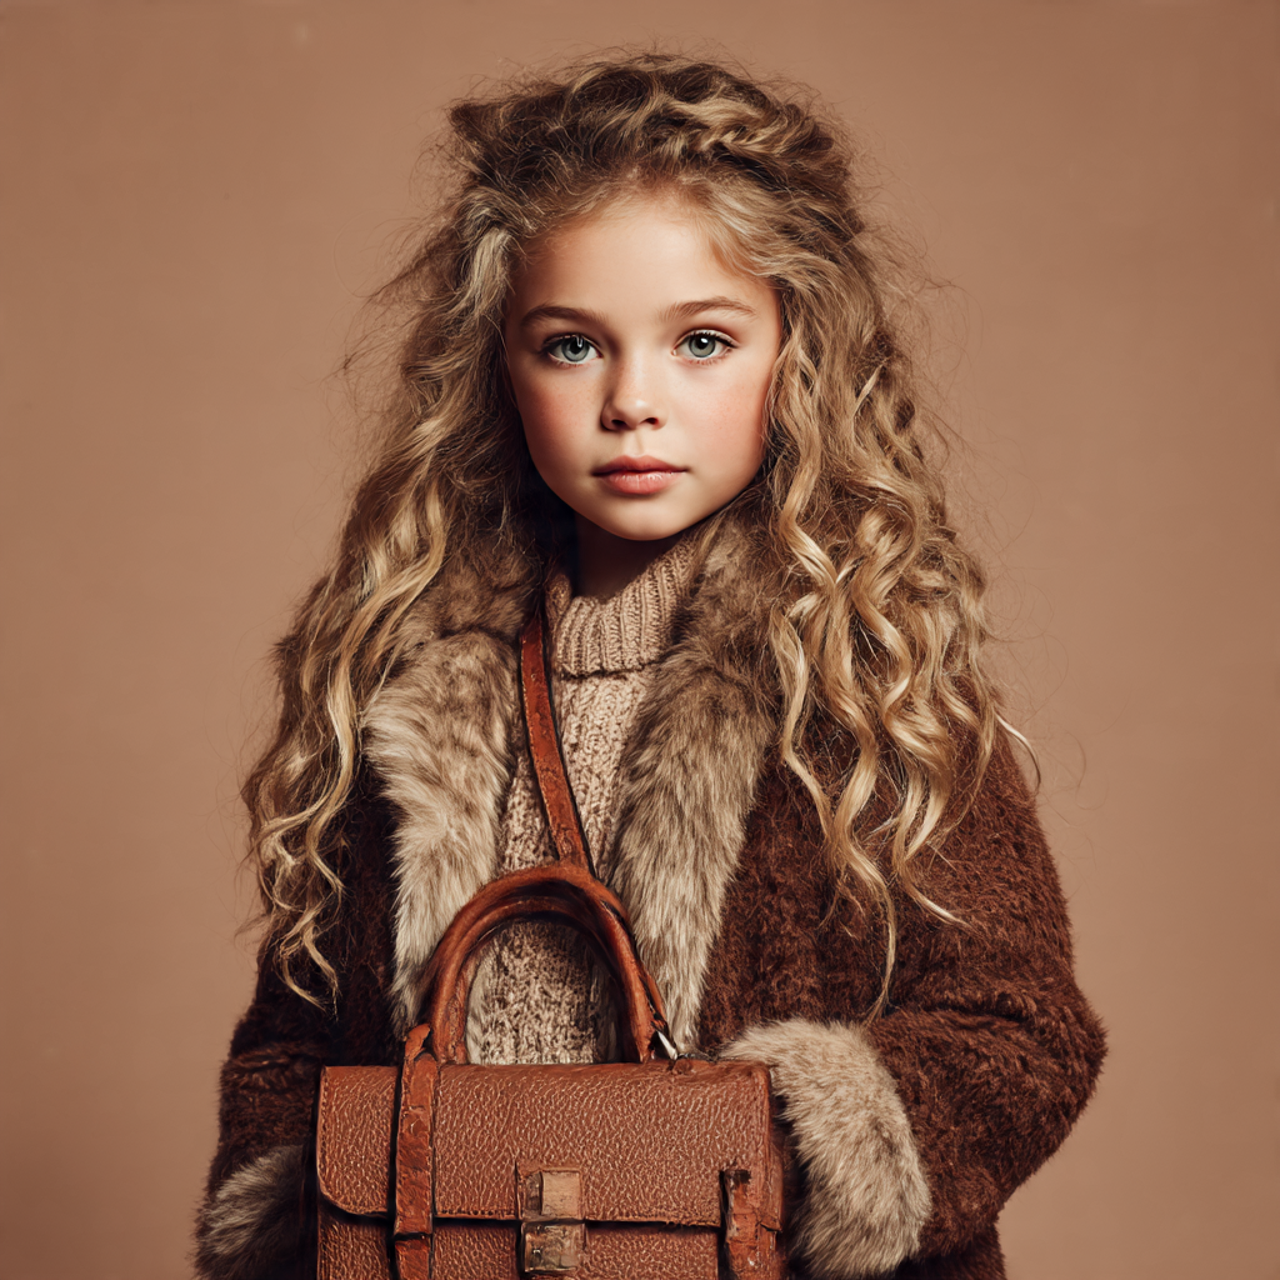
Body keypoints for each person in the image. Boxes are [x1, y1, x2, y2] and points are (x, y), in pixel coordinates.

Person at [195, 52, 1106, 1280]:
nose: (633, 400)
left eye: (702, 342)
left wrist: (772, 1157)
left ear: (798, 351)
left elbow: (1021, 1027)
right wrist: (305, 1216)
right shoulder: (405, 679)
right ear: (498, 368)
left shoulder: (858, 678)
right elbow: (292, 1036)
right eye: (572, 346)